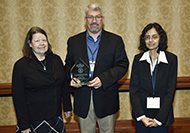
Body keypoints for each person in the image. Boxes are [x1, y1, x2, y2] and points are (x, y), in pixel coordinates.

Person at [65, 3, 129, 133]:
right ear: (85, 20)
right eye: (90, 17)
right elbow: (68, 66)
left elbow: (123, 65)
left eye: (97, 17)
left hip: (106, 97)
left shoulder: (115, 40)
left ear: (103, 19)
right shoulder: (74, 41)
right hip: (83, 98)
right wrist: (72, 78)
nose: (94, 21)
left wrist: (103, 79)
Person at [12, 26, 72, 133]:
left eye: (44, 40)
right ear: (30, 44)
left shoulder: (56, 59)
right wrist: (24, 125)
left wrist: (67, 107)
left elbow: (64, 85)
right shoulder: (21, 66)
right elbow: (18, 98)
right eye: (37, 41)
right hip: (33, 120)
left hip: (55, 117)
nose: (42, 43)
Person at [129, 22, 178, 133]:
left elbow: (170, 92)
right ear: (144, 40)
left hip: (162, 115)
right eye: (147, 37)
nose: (151, 40)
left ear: (161, 38)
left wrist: (159, 119)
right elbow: (133, 90)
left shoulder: (171, 60)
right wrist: (141, 116)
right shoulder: (138, 60)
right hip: (142, 115)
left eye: (154, 37)